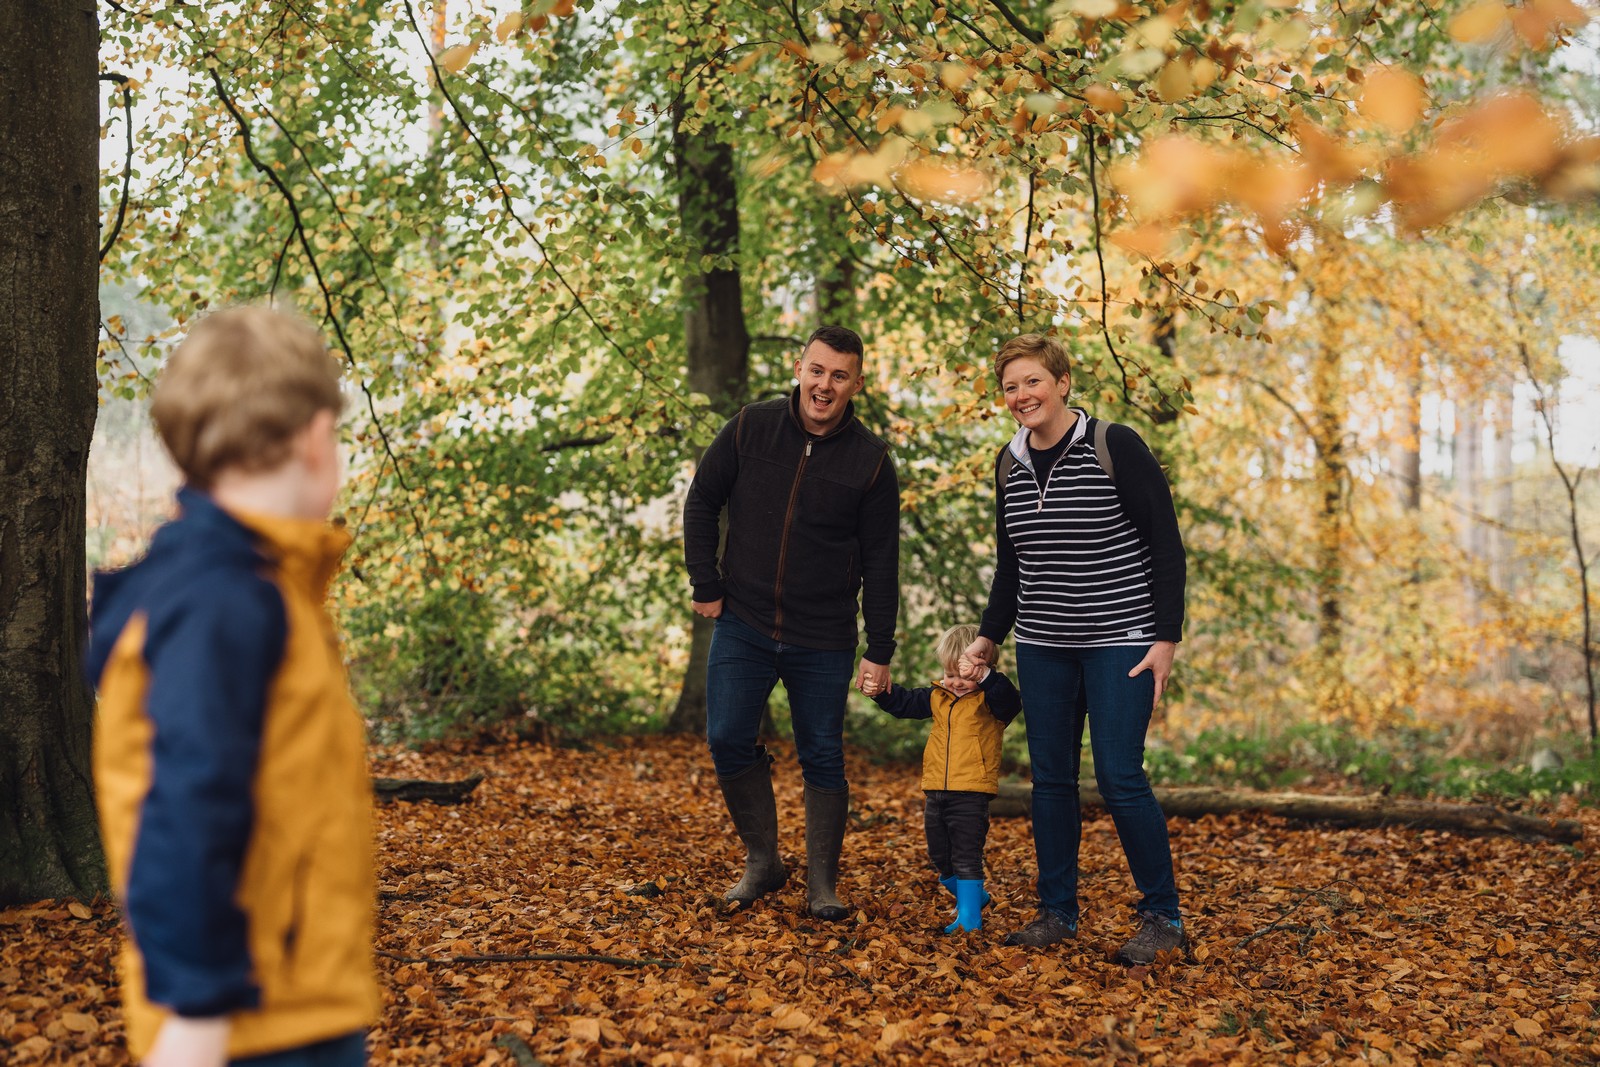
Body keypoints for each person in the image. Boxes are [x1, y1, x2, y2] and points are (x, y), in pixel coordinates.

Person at [87, 307, 379, 1067]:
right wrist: (198, 1005)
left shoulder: (260, 586)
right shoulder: (224, 603)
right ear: (318, 440)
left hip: (294, 1001)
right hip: (250, 1020)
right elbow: (185, 804)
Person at [961, 333, 1188, 965]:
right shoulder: (1008, 464)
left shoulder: (1115, 446)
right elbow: (1013, 567)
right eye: (1010, 386)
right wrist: (989, 636)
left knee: (1119, 777)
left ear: (1062, 383)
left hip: (1122, 643)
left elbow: (1166, 546)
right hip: (1042, 647)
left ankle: (1163, 917)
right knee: (1051, 782)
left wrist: (1165, 637)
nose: (1021, 395)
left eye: (1032, 381)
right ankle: (1057, 912)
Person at [682, 324, 900, 921]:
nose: (824, 385)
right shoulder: (751, 427)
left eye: (839, 376)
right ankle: (763, 862)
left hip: (824, 635)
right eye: (817, 370)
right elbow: (703, 499)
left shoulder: (872, 462)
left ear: (857, 384)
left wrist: (879, 648)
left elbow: (883, 562)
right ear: (799, 367)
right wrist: (706, 580)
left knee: (822, 755)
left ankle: (822, 885)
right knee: (727, 737)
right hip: (744, 622)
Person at [871, 624, 1021, 933]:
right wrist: (880, 690)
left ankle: (969, 919)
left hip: (972, 791)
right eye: (950, 675)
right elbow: (904, 703)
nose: (957, 683)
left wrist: (984, 679)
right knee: (940, 855)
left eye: (966, 676)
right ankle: (975, 897)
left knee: (966, 855)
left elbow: (1010, 700)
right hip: (936, 789)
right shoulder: (937, 697)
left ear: (983, 671)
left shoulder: (990, 702)